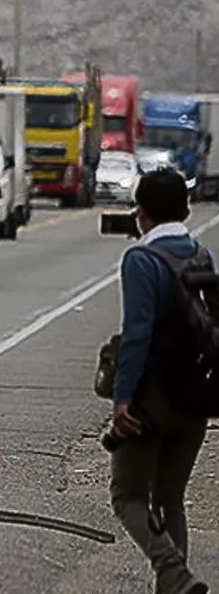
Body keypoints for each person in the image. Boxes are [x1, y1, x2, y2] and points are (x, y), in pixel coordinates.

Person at [110, 167, 211, 594]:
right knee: (171, 499)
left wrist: (122, 399)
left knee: (128, 496)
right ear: (185, 210)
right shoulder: (200, 255)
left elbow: (137, 335)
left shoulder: (142, 260)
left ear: (142, 213)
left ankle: (172, 570)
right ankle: (176, 586)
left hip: (151, 400)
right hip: (197, 396)